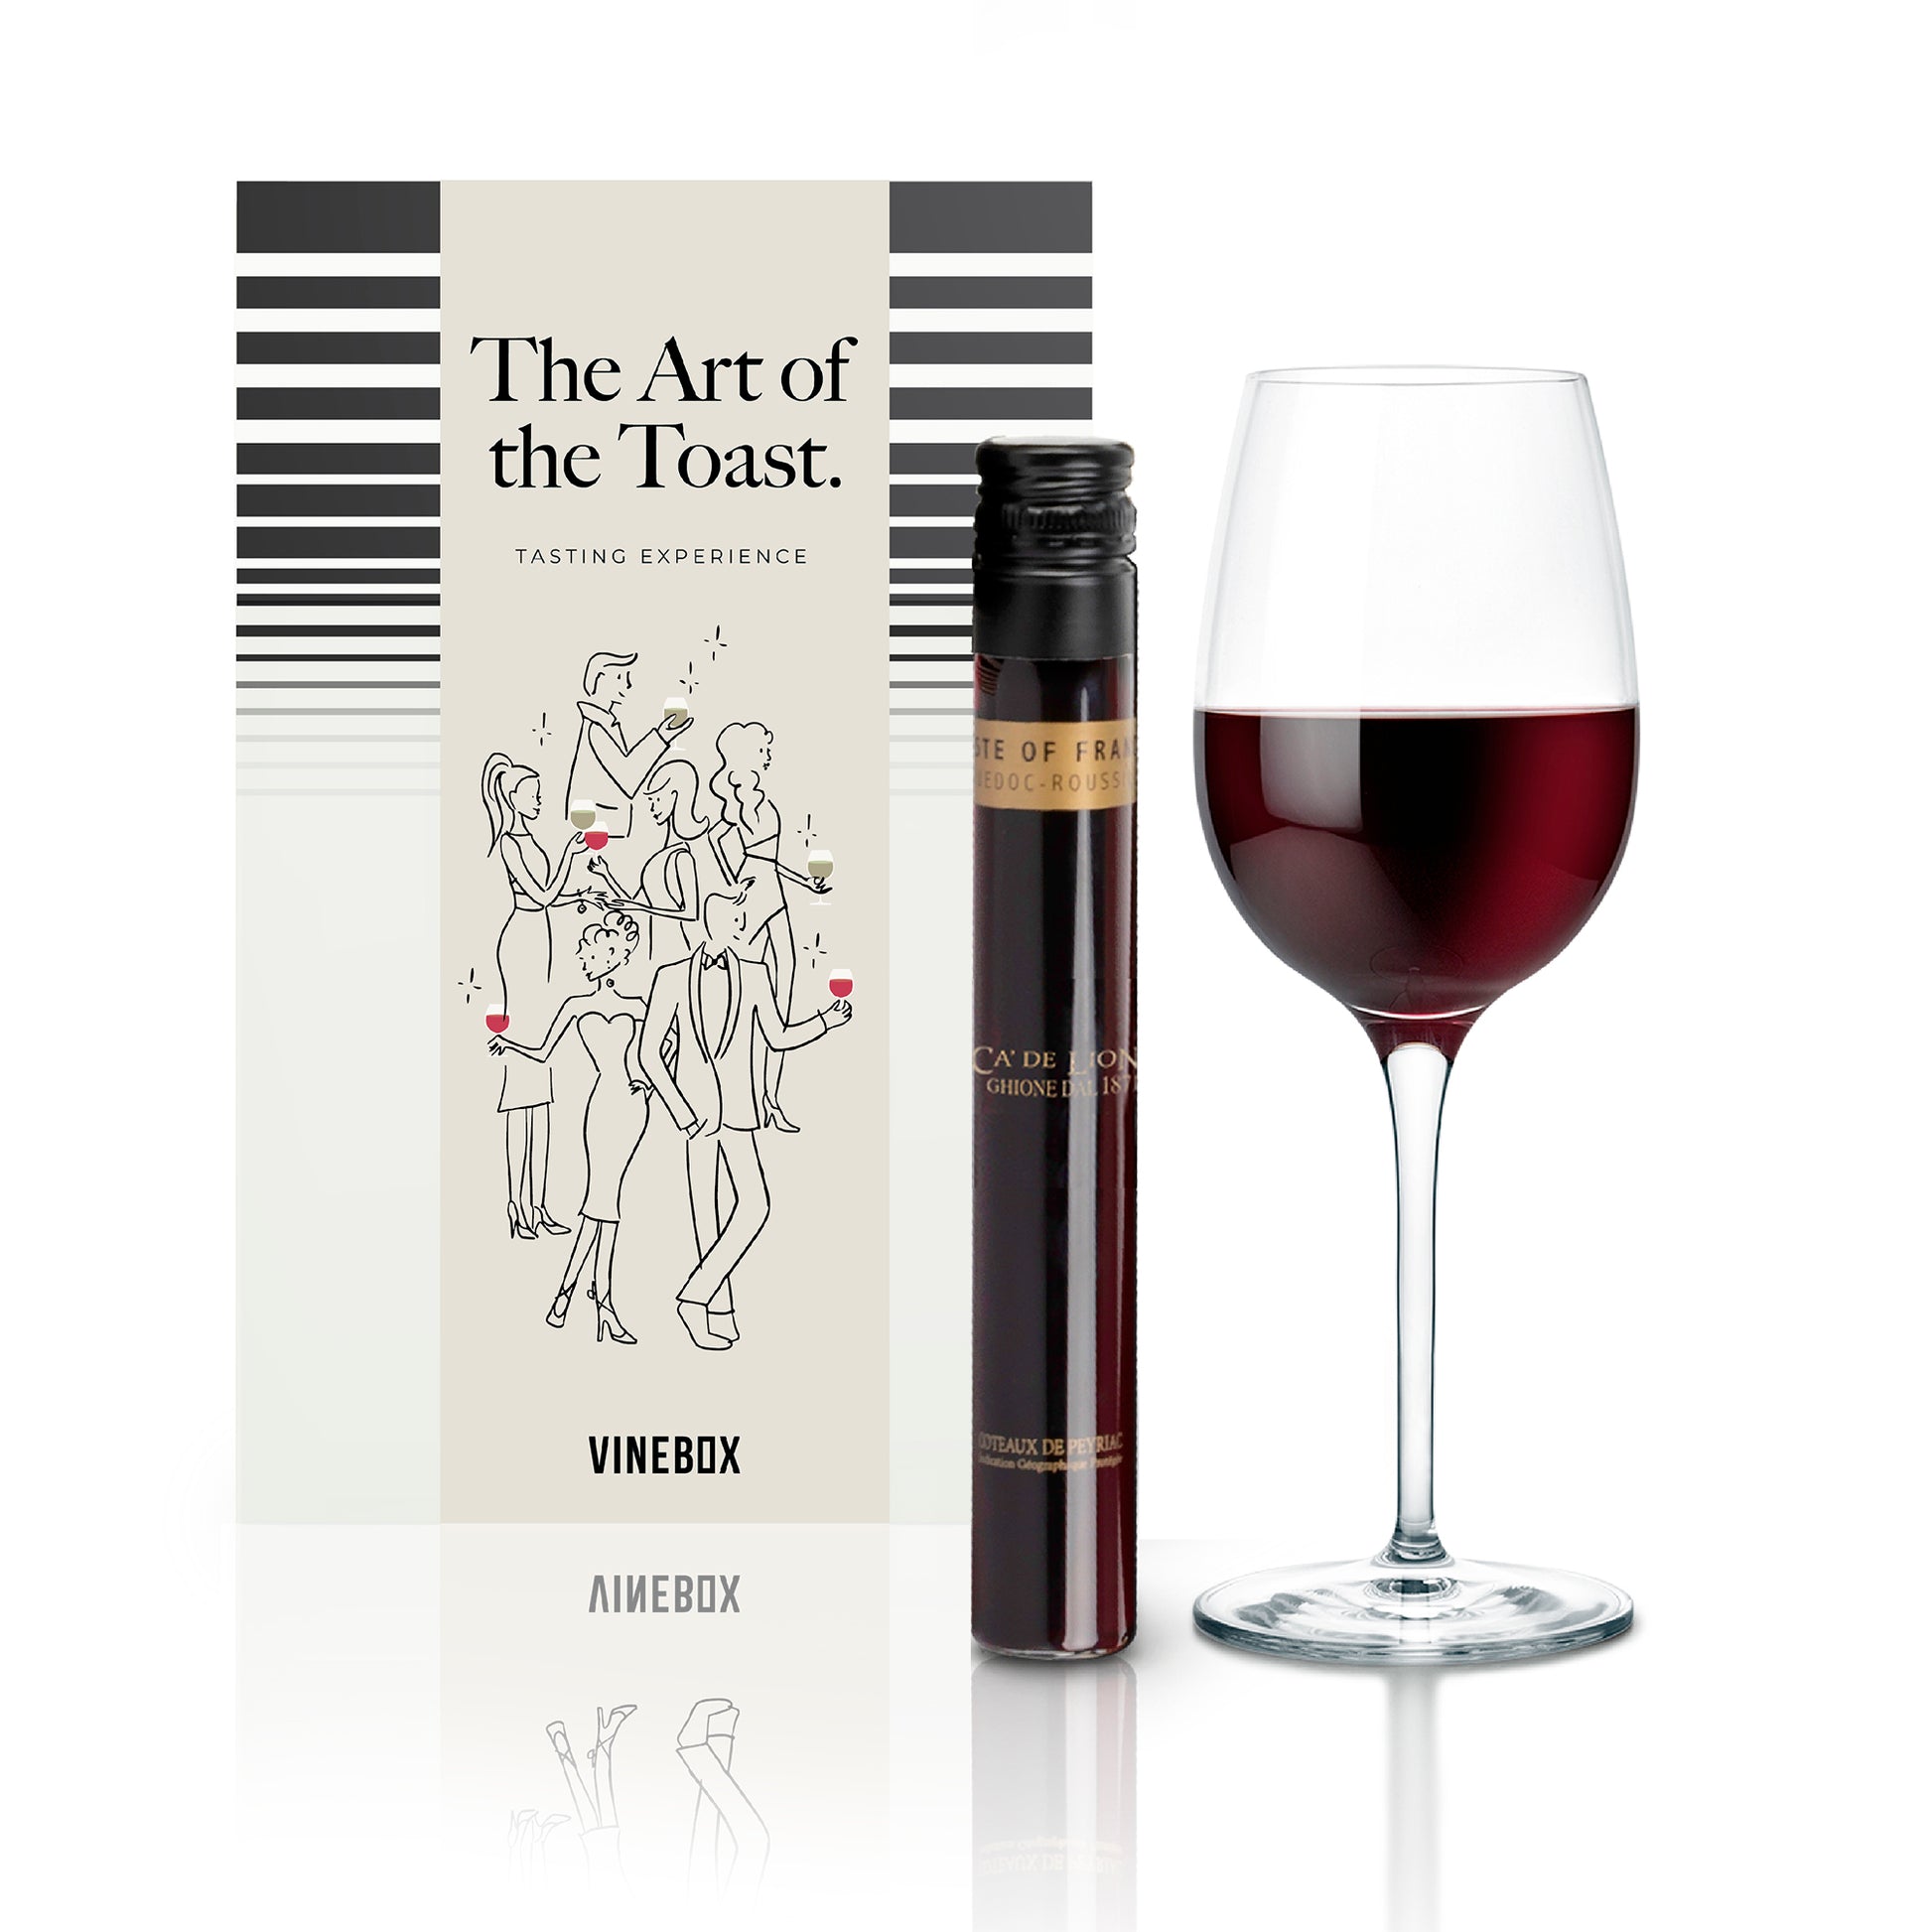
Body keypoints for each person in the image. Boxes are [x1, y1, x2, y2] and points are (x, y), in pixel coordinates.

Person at [633, 881, 852, 1351]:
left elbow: (777, 1036)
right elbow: (647, 1053)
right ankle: (719, 1310)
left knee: (755, 1204)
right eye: (736, 918)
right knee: (705, 1214)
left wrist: (825, 1022)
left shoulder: (754, 973)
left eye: (743, 918)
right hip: (694, 1113)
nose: (743, 925)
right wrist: (680, 1109)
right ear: (711, 919)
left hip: (738, 1109)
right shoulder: (670, 976)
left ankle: (694, 1297)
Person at [488, 913, 652, 1342]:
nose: (582, 959)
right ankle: (598, 1304)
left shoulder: (639, 1006)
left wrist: (649, 1081)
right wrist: (510, 1043)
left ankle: (572, 1298)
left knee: (603, 1207)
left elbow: (661, 1048)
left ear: (614, 956)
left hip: (633, 1108)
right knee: (604, 1206)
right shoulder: (577, 1005)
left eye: (589, 953)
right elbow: (543, 1051)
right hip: (602, 1108)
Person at [482, 752, 589, 1239]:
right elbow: (539, 895)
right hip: (522, 945)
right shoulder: (508, 843)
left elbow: (549, 896)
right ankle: (515, 1204)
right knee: (522, 1083)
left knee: (541, 1085)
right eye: (533, 795)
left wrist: (579, 896)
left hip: (541, 941)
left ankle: (538, 1203)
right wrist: (569, 854)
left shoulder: (530, 839)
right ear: (512, 798)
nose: (541, 801)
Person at [708, 722, 829, 1134]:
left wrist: (804, 883)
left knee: (785, 986)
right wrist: (731, 884)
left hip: (774, 892)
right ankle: (742, 1092)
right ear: (747, 755)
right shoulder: (734, 804)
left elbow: (770, 861)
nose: (769, 754)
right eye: (764, 749)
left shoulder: (761, 799)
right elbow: (719, 844)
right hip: (753, 898)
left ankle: (769, 1095)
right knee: (748, 992)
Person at [564, 649, 692, 843]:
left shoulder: (604, 724)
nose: (627, 684)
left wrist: (662, 736)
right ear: (600, 678)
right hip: (597, 830)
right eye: (619, 677)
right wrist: (661, 737)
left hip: (605, 828)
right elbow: (628, 777)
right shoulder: (595, 728)